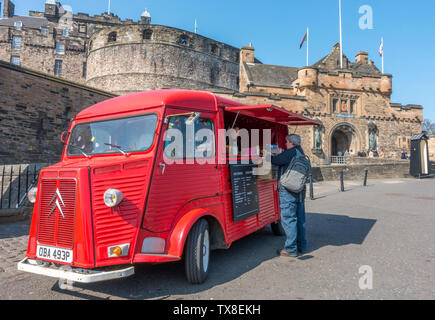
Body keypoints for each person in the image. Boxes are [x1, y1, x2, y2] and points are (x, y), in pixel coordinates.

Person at [271, 134, 307, 258]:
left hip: (288, 190)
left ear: (291, 142)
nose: (286, 144)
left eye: (286, 142)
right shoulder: (301, 152)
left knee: (289, 219)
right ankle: (302, 246)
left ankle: (291, 249)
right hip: (300, 190)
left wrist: (269, 155)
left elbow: (275, 161)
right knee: (300, 219)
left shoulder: (290, 152)